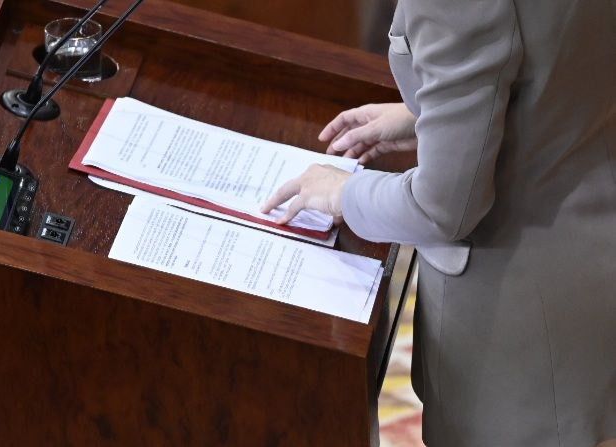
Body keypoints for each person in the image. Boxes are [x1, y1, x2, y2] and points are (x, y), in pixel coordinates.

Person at [262, 0, 616, 445]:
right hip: (593, 241)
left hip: (517, 321)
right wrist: (429, 118)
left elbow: (442, 208)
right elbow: (555, 63)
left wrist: (343, 194)